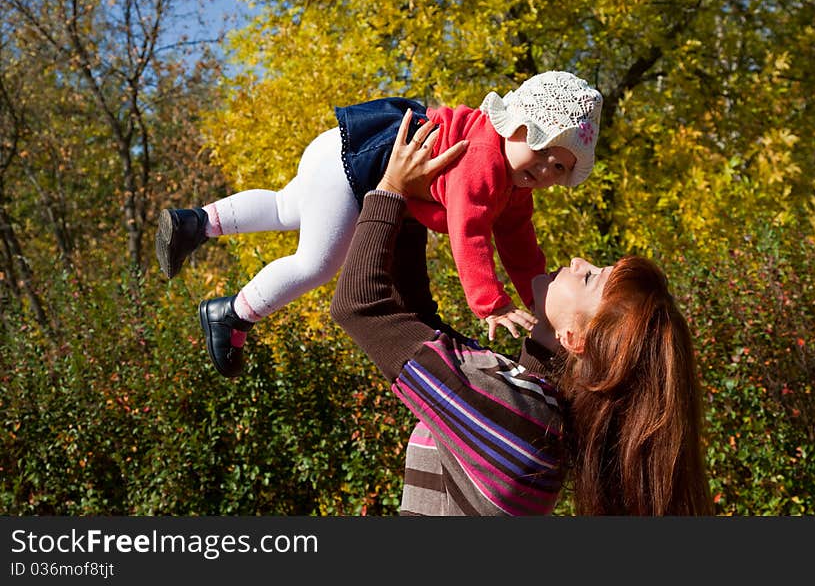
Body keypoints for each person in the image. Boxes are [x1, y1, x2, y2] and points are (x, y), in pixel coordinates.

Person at [329, 113, 713, 515]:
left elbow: (360, 308)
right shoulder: (535, 406)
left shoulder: (518, 415)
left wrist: (390, 189)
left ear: (575, 340)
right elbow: (418, 321)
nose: (579, 261)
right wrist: (414, 202)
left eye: (589, 279)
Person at [156, 71, 603, 377]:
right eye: (542, 149)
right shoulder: (483, 160)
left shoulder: (514, 187)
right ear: (513, 125)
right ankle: (231, 313)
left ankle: (197, 222)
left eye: (559, 167)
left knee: (284, 207)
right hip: (362, 167)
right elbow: (470, 234)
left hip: (345, 148)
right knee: (317, 263)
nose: (545, 169)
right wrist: (492, 303)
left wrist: (541, 298)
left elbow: (521, 247)